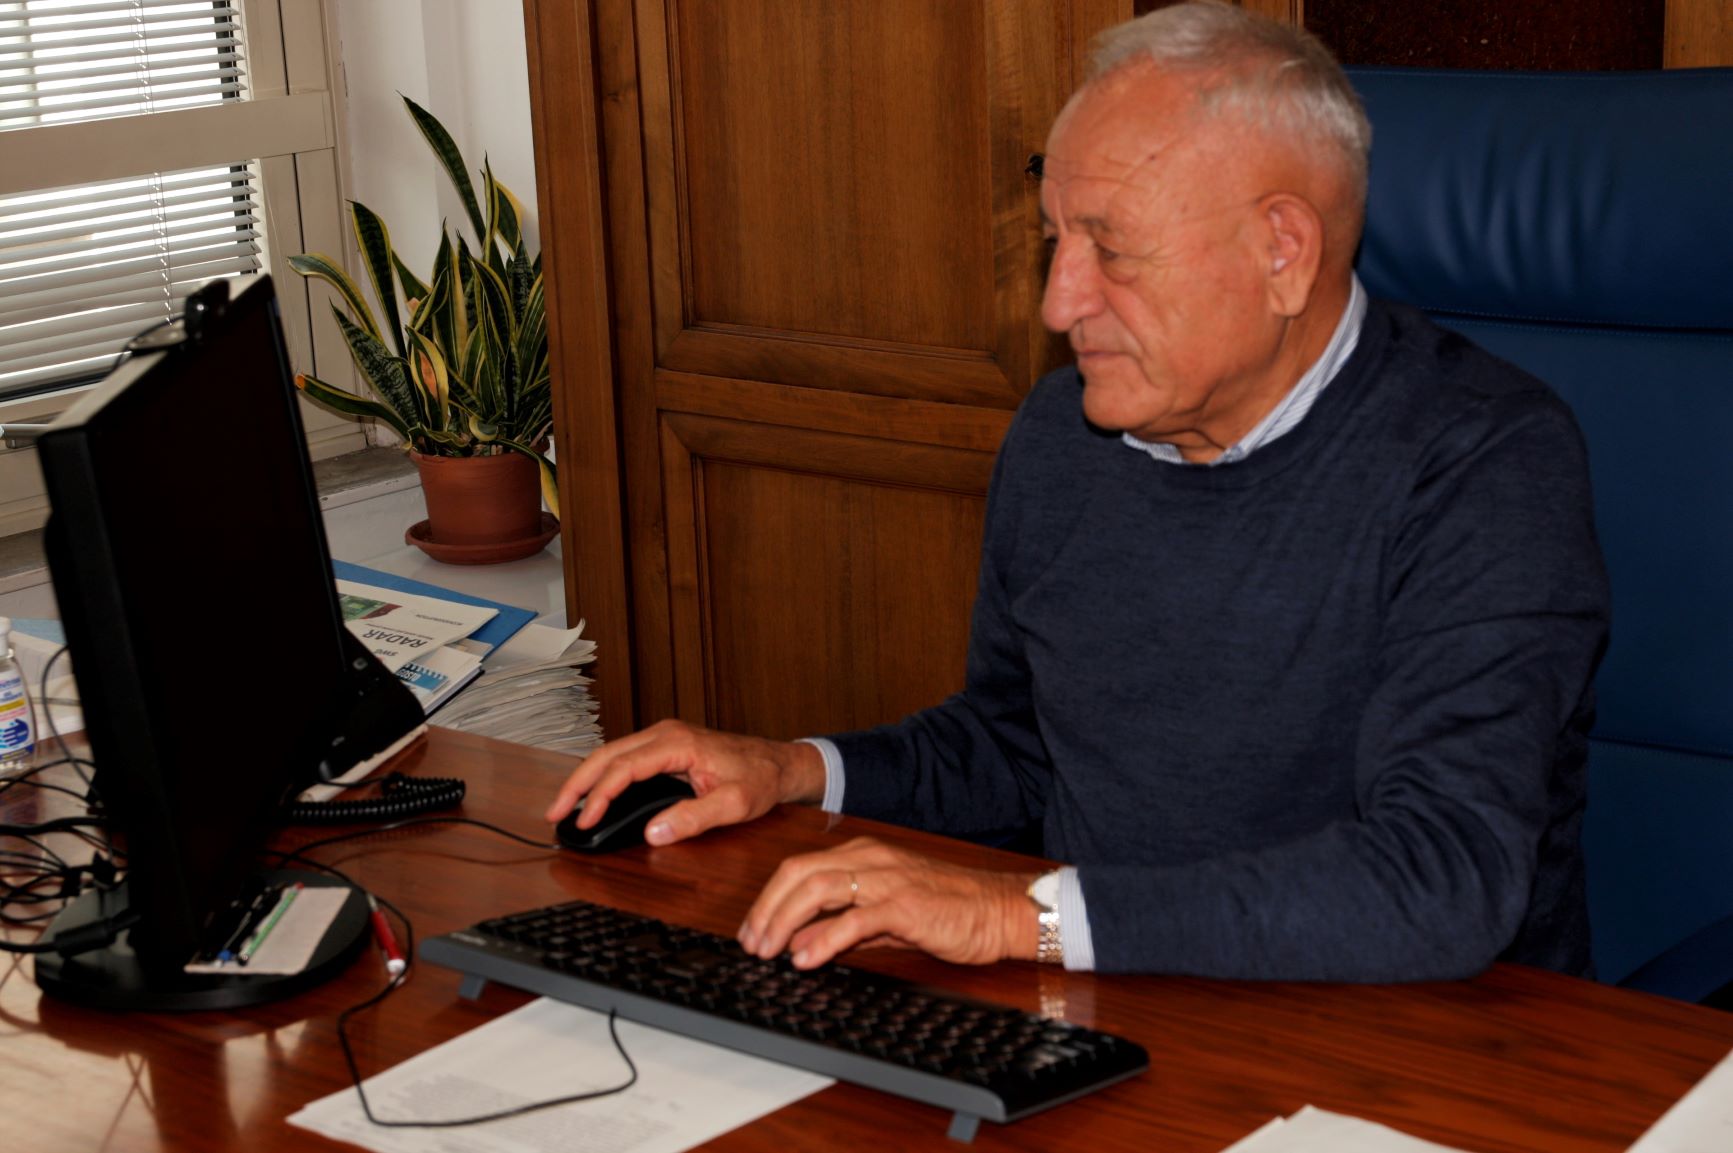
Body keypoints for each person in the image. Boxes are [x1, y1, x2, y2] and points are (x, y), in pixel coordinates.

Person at [547, 2, 1609, 981]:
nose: (1059, 305)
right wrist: (790, 771)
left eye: (1113, 248)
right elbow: (1017, 752)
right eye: (1058, 240)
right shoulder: (1066, 434)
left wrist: (1019, 917)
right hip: (1111, 1001)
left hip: (1415, 1048)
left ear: (1281, 251)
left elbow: (1440, 879)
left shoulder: (1484, 461)